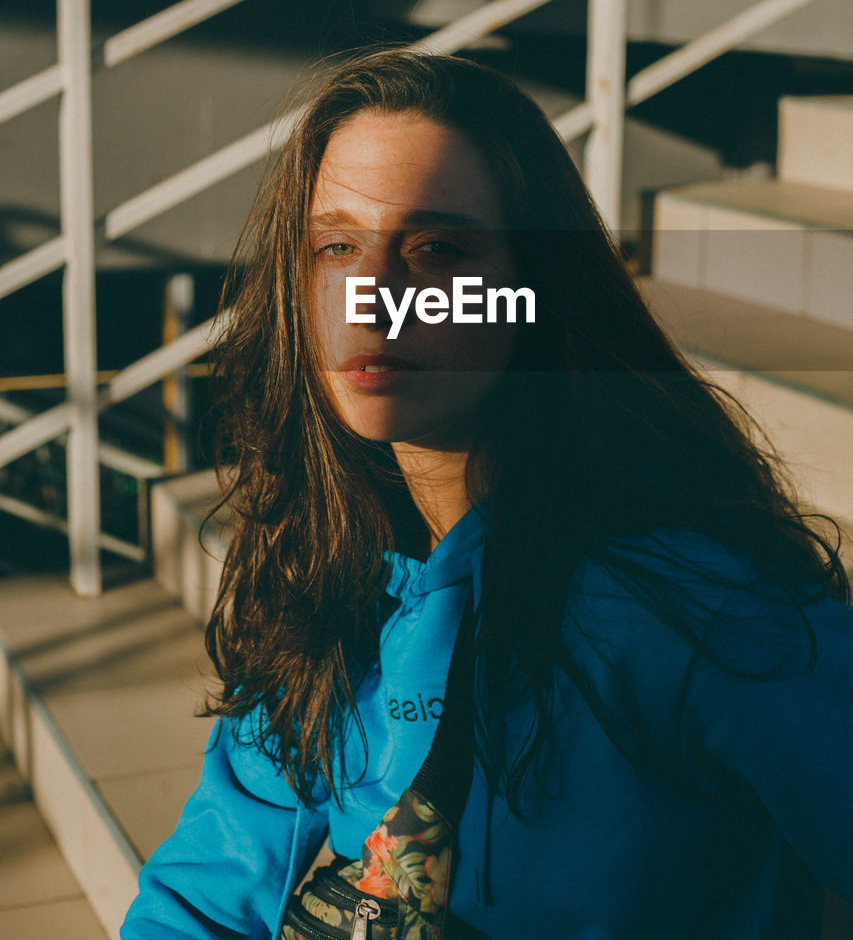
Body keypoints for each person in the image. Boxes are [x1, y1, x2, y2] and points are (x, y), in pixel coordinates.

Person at [121, 49, 853, 940]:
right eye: (336, 247)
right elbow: (205, 889)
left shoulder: (690, 597)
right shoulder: (322, 571)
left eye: (436, 249)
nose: (371, 298)